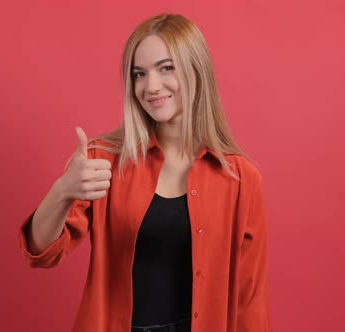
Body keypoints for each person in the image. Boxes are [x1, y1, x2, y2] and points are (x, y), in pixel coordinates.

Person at [18, 13, 270, 332]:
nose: (150, 86)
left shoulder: (241, 178)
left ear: (197, 70)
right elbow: (41, 252)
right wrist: (62, 192)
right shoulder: (103, 160)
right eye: (139, 74)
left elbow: (250, 300)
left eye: (166, 68)